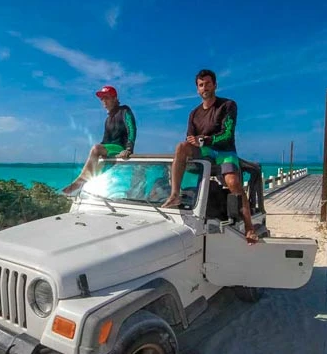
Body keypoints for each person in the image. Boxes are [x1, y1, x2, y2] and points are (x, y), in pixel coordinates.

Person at [161, 69, 258, 244]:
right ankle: (175, 194)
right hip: (204, 150)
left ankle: (250, 227)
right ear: (197, 89)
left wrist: (204, 140)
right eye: (201, 85)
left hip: (224, 151)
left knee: (233, 183)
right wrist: (196, 142)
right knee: (181, 147)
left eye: (207, 83)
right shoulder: (194, 113)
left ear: (214, 85)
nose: (204, 87)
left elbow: (227, 134)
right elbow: (189, 139)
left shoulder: (228, 105)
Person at [61, 85, 137, 195]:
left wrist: (129, 149)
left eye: (107, 98)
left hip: (121, 148)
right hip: (110, 150)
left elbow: (132, 128)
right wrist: (99, 153)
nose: (103, 101)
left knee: (96, 148)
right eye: (102, 99)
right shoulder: (108, 120)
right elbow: (105, 141)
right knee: (99, 160)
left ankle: (80, 181)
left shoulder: (124, 110)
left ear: (115, 99)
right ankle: (91, 190)